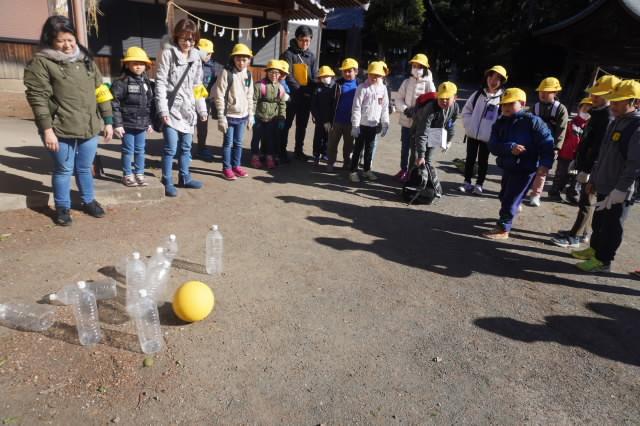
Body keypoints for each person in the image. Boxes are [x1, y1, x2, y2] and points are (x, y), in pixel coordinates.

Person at [24, 15, 114, 226]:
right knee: (64, 169)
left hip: (89, 125)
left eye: (70, 39)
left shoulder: (86, 60)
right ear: (50, 40)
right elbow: (38, 98)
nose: (67, 45)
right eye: (61, 41)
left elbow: (101, 90)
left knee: (85, 167)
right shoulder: (42, 62)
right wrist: (47, 130)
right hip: (59, 127)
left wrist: (108, 120)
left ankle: (88, 201)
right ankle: (62, 207)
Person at [572, 80, 640, 273]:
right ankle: (594, 250)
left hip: (620, 190)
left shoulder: (636, 127)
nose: (613, 105)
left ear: (634, 102)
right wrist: (593, 178)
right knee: (599, 221)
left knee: (612, 226)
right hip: (604, 183)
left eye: (618, 101)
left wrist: (621, 189)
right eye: (613, 100)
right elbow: (602, 154)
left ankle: (604, 260)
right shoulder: (616, 121)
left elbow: (635, 163)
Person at [551, 75, 620, 248]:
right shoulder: (598, 113)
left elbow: (598, 148)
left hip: (594, 167)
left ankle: (575, 236)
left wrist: (588, 169)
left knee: (587, 201)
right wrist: (577, 160)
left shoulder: (607, 117)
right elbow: (587, 141)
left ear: (610, 95)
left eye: (598, 94)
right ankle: (583, 232)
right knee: (586, 200)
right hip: (586, 164)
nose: (593, 96)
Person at [484, 88, 554, 240]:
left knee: (510, 199)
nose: (506, 107)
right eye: (504, 104)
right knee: (504, 195)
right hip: (508, 166)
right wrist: (509, 148)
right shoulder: (500, 123)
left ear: (522, 103)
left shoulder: (533, 122)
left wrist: (545, 164)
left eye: (511, 103)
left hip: (526, 168)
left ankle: (503, 228)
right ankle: (512, 209)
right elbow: (492, 145)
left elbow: (547, 143)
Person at [155, 19, 208, 197]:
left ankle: (184, 177)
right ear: (176, 37)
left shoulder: (196, 57)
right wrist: (162, 109)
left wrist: (202, 109)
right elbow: (160, 83)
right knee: (171, 147)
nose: (187, 42)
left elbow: (198, 84)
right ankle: (167, 180)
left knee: (186, 147)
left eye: (191, 39)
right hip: (171, 108)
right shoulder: (168, 54)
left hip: (188, 109)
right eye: (184, 38)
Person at [459, 65, 508, 195]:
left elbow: (503, 118)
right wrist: (469, 125)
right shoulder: (477, 94)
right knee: (469, 159)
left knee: (483, 161)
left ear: (502, 81)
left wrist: (495, 133)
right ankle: (467, 182)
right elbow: (466, 110)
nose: (493, 81)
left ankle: (479, 184)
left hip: (488, 137)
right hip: (472, 135)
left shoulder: (503, 99)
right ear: (486, 78)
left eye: (497, 78)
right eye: (491, 77)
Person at [110, 46, 154, 187]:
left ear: (146, 65)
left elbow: (149, 104)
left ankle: (140, 174)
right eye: (135, 63)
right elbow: (114, 104)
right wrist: (117, 124)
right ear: (127, 64)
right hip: (127, 124)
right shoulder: (120, 82)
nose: (138, 66)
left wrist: (149, 122)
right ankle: (127, 175)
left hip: (142, 124)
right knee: (128, 150)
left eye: (141, 63)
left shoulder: (146, 82)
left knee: (140, 150)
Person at [213, 43, 254, 180]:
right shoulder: (226, 72)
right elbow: (219, 95)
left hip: (243, 116)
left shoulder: (248, 74)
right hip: (229, 115)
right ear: (233, 59)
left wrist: (251, 115)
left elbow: (250, 95)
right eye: (238, 59)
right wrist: (221, 117)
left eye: (244, 59)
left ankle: (236, 166)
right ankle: (226, 168)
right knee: (228, 143)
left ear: (249, 60)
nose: (241, 62)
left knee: (239, 143)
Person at [393, 54, 436, 182]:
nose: (416, 69)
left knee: (415, 150)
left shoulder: (429, 83)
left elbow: (432, 101)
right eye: (414, 66)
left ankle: (412, 172)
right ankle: (403, 169)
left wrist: (418, 112)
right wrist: (405, 109)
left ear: (425, 68)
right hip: (406, 121)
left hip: (420, 124)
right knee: (404, 147)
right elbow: (398, 98)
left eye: (419, 66)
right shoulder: (406, 82)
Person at [411, 82, 459, 192]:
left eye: (447, 98)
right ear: (437, 96)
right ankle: (412, 182)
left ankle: (425, 184)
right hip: (419, 132)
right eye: (441, 98)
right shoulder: (430, 108)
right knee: (416, 159)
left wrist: (449, 141)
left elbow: (450, 124)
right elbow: (422, 133)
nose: (444, 101)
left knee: (428, 160)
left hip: (436, 132)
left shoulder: (455, 108)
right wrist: (421, 155)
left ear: (455, 98)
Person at [528, 76, 569, 206]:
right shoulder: (535, 107)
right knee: (529, 168)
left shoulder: (560, 109)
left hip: (549, 146)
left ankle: (536, 194)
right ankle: (523, 191)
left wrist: (557, 147)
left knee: (542, 170)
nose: (543, 94)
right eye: (541, 91)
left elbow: (562, 129)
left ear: (555, 93)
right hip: (533, 144)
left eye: (547, 92)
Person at [280, 25, 318, 161]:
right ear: (296, 39)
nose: (305, 43)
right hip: (291, 97)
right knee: (286, 124)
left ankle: (298, 151)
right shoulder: (288, 54)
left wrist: (317, 84)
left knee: (302, 126)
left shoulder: (311, 56)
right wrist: (300, 90)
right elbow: (287, 75)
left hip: (306, 97)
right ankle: (281, 150)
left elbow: (313, 75)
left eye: (307, 40)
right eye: (302, 40)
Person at [349, 61, 389, 183]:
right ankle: (353, 171)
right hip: (361, 125)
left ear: (381, 76)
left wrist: (385, 123)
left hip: (373, 125)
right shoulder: (362, 88)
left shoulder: (383, 89)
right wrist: (355, 125)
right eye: (372, 74)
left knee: (369, 149)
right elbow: (356, 107)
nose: (374, 77)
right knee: (357, 149)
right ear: (368, 74)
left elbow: (384, 107)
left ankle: (366, 170)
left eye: (377, 75)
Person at [547, 97, 592, 202]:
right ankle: (554, 192)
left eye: (590, 110)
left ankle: (572, 194)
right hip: (565, 156)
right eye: (585, 108)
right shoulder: (570, 123)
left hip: (579, 158)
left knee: (575, 177)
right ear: (579, 109)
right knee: (561, 175)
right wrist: (557, 149)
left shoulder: (591, 126)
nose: (587, 111)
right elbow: (561, 136)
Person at [250, 59, 287, 169]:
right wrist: (251, 115)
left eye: (277, 72)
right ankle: (255, 157)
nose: (274, 75)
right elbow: (253, 101)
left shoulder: (280, 88)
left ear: (280, 74)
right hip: (258, 118)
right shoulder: (259, 85)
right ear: (267, 72)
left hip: (272, 119)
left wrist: (282, 118)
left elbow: (282, 104)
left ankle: (269, 157)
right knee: (256, 138)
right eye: (271, 72)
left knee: (270, 139)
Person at [326, 58, 360, 172]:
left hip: (351, 122)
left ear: (356, 71)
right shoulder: (336, 84)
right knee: (332, 144)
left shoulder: (360, 85)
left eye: (349, 71)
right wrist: (328, 120)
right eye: (344, 71)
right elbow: (329, 103)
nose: (347, 73)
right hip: (336, 121)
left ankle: (347, 163)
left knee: (349, 146)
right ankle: (330, 162)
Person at [194, 38, 223, 162]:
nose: (208, 56)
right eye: (206, 53)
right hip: (189, 99)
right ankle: (184, 149)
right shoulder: (191, 62)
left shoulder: (215, 66)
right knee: (188, 125)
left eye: (210, 53)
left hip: (204, 101)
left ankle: (201, 148)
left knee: (202, 126)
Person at [310, 65, 336, 164]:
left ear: (331, 76)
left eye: (327, 76)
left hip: (331, 119)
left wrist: (331, 119)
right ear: (320, 78)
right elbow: (313, 105)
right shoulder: (317, 89)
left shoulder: (335, 87)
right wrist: (316, 116)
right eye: (323, 76)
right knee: (318, 137)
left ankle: (325, 153)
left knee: (328, 138)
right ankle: (316, 154)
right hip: (320, 119)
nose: (325, 78)